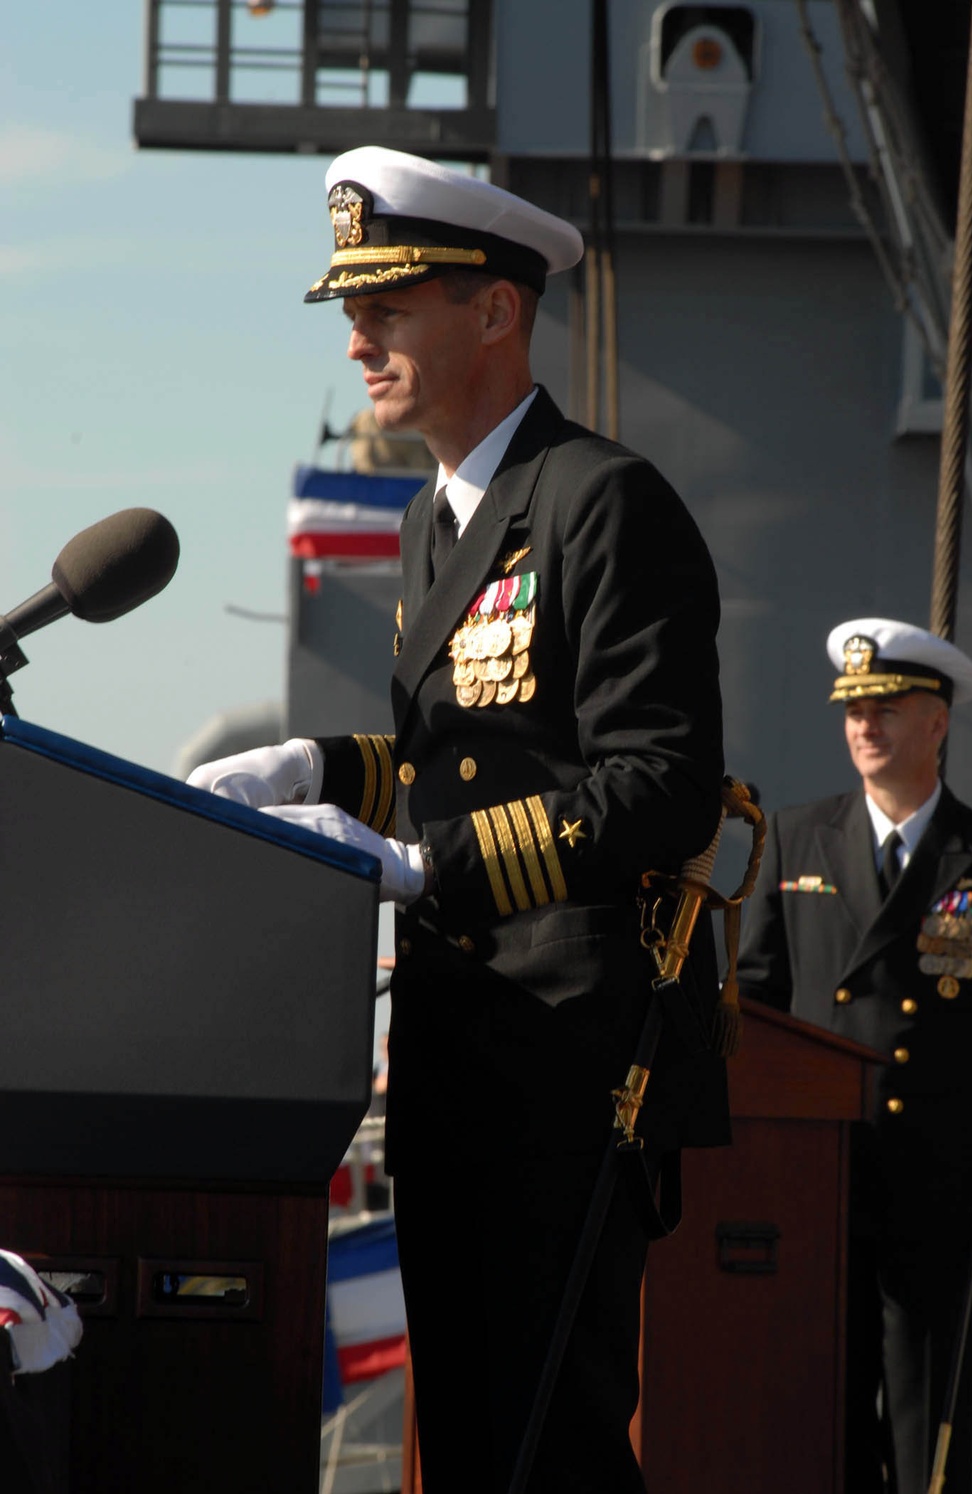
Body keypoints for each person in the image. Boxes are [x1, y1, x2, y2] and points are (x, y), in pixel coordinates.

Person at [188, 146, 729, 1492]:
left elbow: (658, 782)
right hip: (455, 1049)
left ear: (496, 310)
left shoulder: (604, 503)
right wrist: (319, 766)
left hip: (570, 1055)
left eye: (394, 302)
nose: (360, 334)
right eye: (353, 308)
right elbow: (463, 759)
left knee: (549, 1435)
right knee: (477, 1435)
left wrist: (429, 868)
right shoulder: (444, 518)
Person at [738, 617, 972, 1494]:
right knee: (825, 1425)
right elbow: (756, 1005)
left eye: (889, 706)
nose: (866, 725)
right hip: (821, 1183)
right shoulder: (798, 838)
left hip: (937, 1188)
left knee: (929, 1436)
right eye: (854, 709)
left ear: (938, 722)